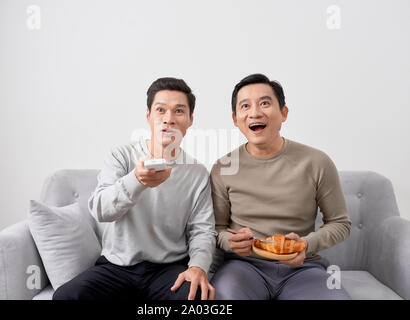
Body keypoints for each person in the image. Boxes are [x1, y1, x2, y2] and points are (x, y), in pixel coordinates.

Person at [53, 77, 217, 300]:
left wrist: (198, 266)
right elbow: (101, 211)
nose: (169, 119)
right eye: (161, 110)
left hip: (168, 269)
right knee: (66, 297)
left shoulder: (197, 173)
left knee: (195, 299)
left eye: (179, 111)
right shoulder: (120, 156)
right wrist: (136, 181)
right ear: (149, 116)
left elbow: (202, 230)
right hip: (117, 266)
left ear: (190, 120)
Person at [210, 73, 352, 300]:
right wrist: (230, 242)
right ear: (236, 119)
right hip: (243, 267)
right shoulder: (223, 167)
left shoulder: (317, 162)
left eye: (264, 103)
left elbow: (340, 223)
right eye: (245, 106)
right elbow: (214, 228)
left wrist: (306, 244)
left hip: (303, 267)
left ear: (284, 113)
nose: (255, 112)